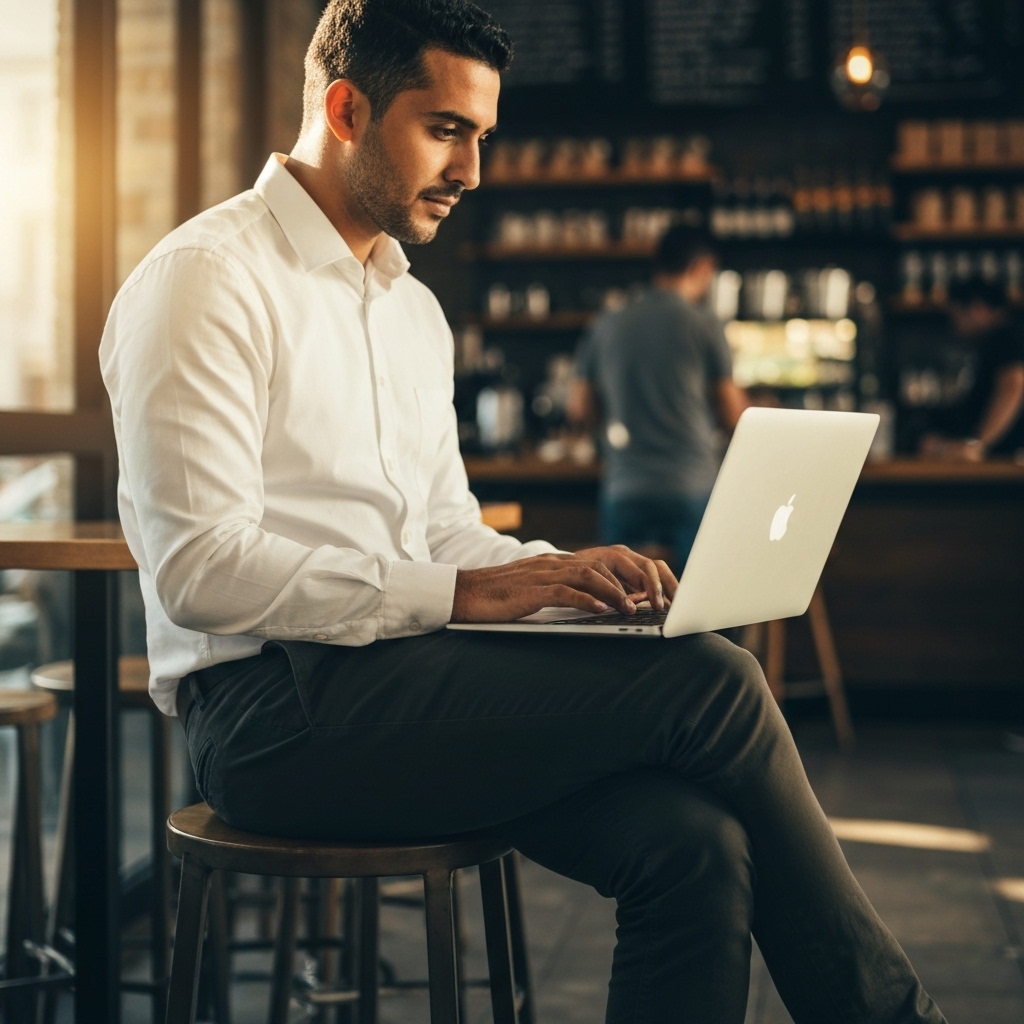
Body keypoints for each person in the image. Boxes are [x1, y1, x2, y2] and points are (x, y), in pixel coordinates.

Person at [99, 2, 945, 1021]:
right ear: (346, 108)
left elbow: (445, 528)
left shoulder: (410, 310)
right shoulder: (206, 280)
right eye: (446, 130)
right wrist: (469, 590)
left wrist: (567, 579)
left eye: (483, 137)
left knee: (695, 844)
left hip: (401, 683)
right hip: (270, 719)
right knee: (713, 683)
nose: (473, 171)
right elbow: (200, 570)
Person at [568, 227, 748, 572]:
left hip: (624, 488)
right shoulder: (704, 324)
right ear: (703, 267)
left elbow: (580, 408)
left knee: (620, 605)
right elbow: (733, 416)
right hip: (690, 486)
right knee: (697, 609)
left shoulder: (607, 323)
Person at [920, 278, 1024, 461]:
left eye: (957, 314)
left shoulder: (1006, 337)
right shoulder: (999, 340)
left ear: (978, 308)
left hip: (1008, 464)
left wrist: (978, 445)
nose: (954, 324)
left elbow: (1014, 385)